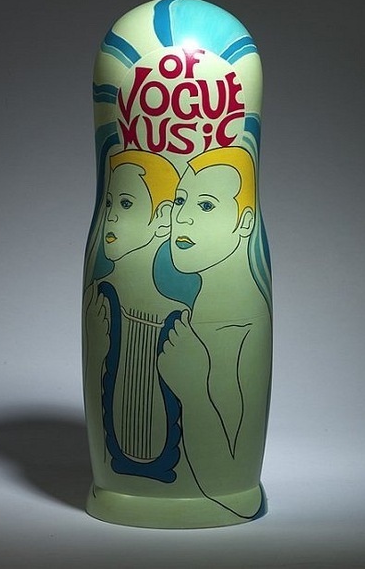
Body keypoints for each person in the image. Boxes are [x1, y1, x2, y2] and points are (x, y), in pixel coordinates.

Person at [158, 146, 272, 519]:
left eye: (206, 205)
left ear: (244, 223)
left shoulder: (240, 327)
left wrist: (193, 390)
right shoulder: (200, 309)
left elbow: (227, 479)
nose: (182, 218)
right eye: (179, 200)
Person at [83, 149, 187, 482]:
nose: (112, 216)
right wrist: (96, 352)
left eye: (126, 203)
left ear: (163, 218)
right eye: (109, 203)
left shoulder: (178, 317)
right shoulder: (102, 298)